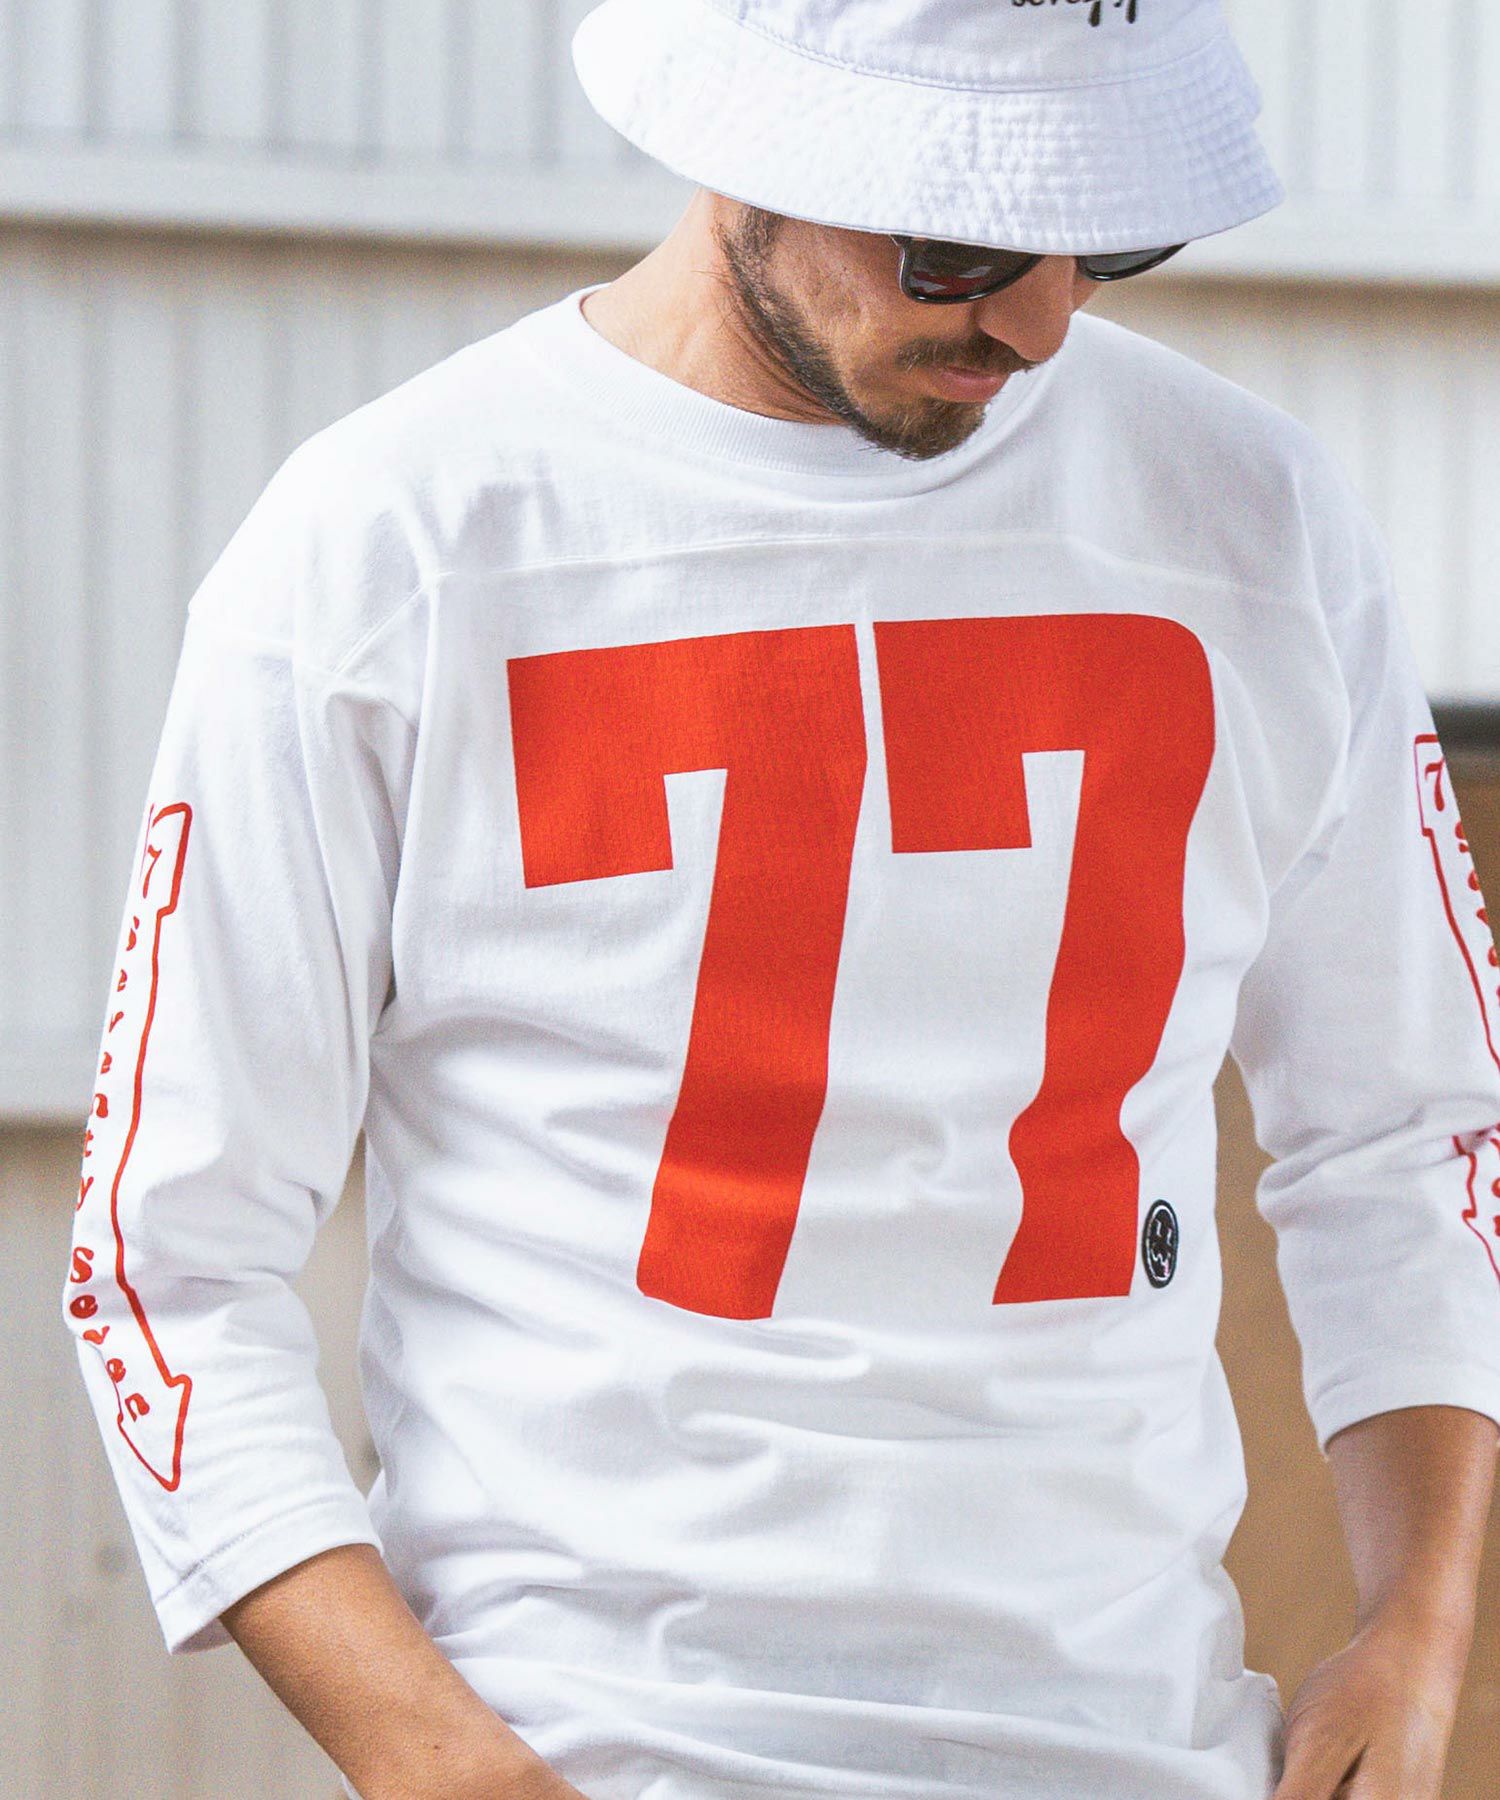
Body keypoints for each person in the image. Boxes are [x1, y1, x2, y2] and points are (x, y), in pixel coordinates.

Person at [63, 2, 1500, 1797]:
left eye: (1104, 237)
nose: (1041, 320)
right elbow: (168, 1261)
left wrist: (1418, 1629)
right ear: (741, 138)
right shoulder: (393, 548)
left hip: (1143, 1746)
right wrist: (442, 1764)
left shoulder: (1255, 522)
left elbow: (1411, 1129)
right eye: (961, 243)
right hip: (605, 1749)